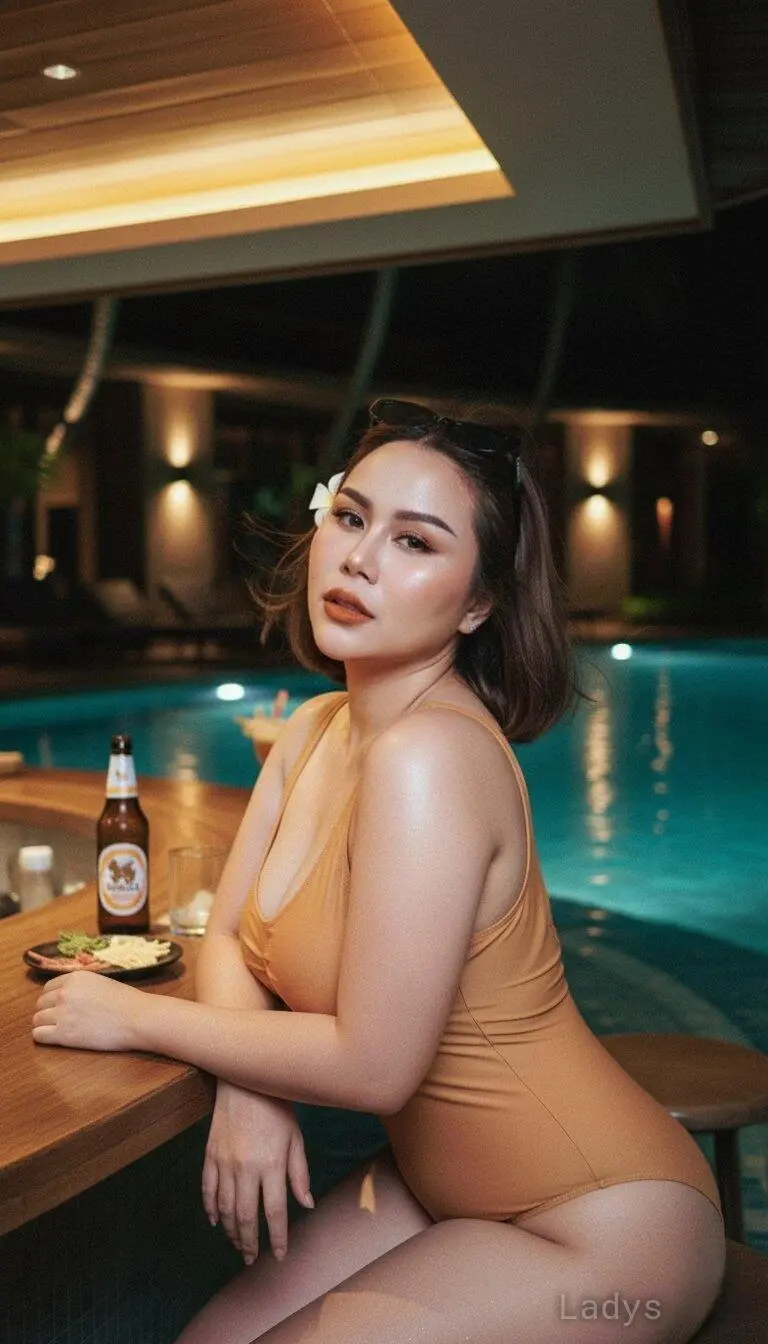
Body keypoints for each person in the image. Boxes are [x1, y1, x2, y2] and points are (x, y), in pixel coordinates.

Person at [32, 398, 726, 1344]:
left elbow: (376, 1065)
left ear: (478, 603)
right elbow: (227, 934)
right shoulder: (316, 728)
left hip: (602, 1229)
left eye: (415, 542)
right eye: (351, 517)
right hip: (440, 1189)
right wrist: (252, 1089)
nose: (359, 559)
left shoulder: (429, 758)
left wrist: (135, 1016)